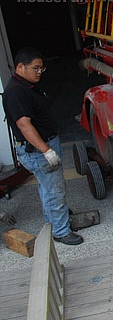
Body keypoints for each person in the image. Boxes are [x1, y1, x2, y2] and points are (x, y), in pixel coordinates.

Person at [2, 47, 83, 245]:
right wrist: (46, 151)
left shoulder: (26, 86)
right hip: (38, 150)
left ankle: (55, 218)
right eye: (36, 68)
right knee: (54, 190)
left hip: (44, 145)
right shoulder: (15, 92)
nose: (39, 72)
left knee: (48, 187)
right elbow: (23, 124)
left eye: (42, 68)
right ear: (20, 67)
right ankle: (61, 231)